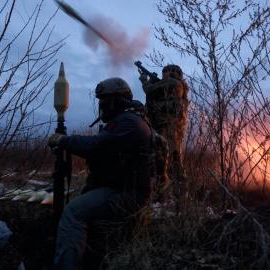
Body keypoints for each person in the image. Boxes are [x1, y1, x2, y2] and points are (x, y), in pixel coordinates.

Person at [48, 77, 152, 269]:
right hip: (120, 188)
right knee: (82, 204)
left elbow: (96, 146)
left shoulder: (130, 122)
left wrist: (63, 141)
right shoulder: (126, 120)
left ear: (117, 100)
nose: (102, 105)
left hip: (127, 194)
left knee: (73, 212)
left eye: (105, 100)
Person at [139, 64, 189, 198]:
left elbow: (149, 90)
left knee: (163, 160)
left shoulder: (173, 82)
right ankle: (178, 195)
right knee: (173, 159)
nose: (164, 74)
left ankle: (164, 195)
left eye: (166, 72)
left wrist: (145, 80)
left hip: (166, 128)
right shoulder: (177, 87)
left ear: (173, 73)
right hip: (171, 128)